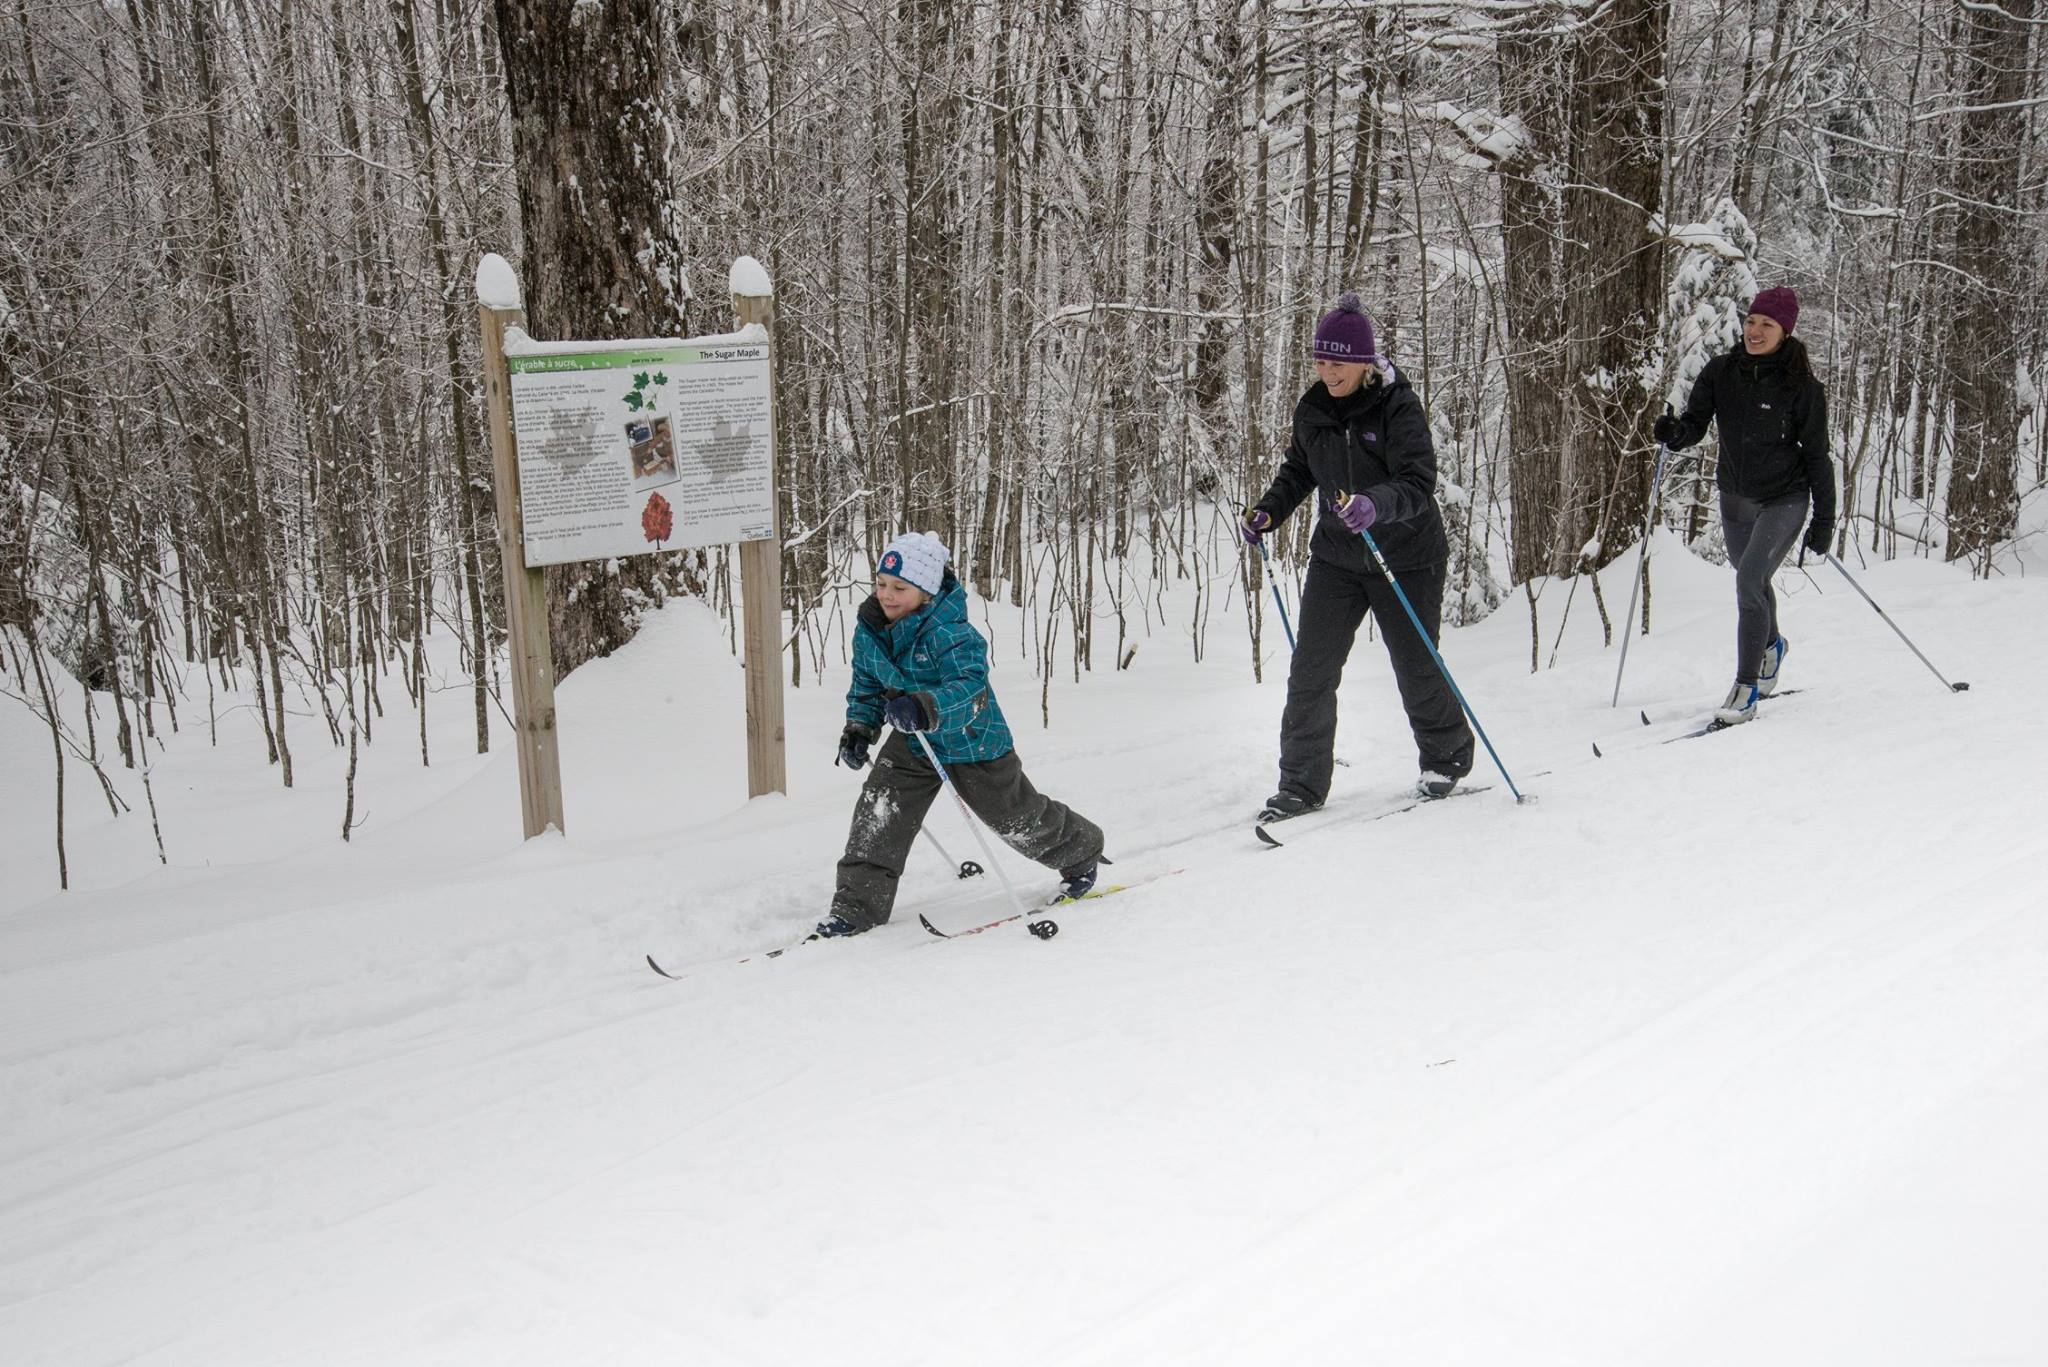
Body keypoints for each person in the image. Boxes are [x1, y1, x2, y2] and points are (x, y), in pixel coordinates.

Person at [1241, 291, 1475, 822]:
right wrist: (1268, 512)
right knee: (1311, 671)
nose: (1327, 371)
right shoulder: (1314, 409)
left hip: (1406, 554)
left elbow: (1418, 481)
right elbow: (1299, 471)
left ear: (1364, 361)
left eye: (1337, 362)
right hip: (1338, 558)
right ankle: (1300, 786)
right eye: (1320, 361)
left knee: (1415, 664)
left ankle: (1447, 758)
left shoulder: (1396, 406)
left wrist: (1375, 504)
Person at [818, 531, 1105, 937]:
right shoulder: (871, 630)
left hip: (973, 740)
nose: (887, 595)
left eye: (900, 587)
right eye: (882, 584)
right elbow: (866, 681)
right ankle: (854, 909)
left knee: (1014, 817)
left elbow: (969, 687)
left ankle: (1081, 851)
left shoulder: (951, 633)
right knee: (879, 812)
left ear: (927, 591)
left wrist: (925, 706)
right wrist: (860, 727)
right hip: (913, 743)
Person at [1652, 285, 1834, 725]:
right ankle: (1772, 645)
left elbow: (1817, 455)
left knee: (1749, 580)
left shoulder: (1803, 388)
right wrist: (1675, 434)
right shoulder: (1721, 372)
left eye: (1766, 325)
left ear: (1784, 332)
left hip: (1784, 498)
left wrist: (1825, 518)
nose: (1754, 330)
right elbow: (1695, 424)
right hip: (1735, 496)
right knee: (1751, 578)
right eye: (1752, 321)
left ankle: (1745, 687)